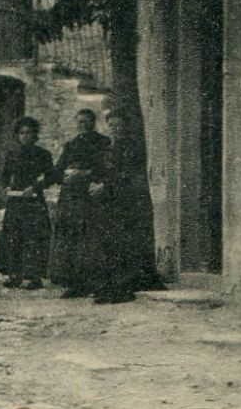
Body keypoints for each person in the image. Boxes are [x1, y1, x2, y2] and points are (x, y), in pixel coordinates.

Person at [85, 107, 167, 304]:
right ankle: (109, 286)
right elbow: (100, 170)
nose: (115, 129)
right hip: (109, 201)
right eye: (111, 125)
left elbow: (129, 174)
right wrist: (94, 183)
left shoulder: (132, 147)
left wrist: (105, 186)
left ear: (126, 127)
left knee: (123, 243)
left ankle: (122, 288)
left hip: (127, 201)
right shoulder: (109, 148)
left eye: (119, 125)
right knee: (109, 243)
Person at [48, 108, 109, 297]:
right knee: (71, 239)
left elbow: (105, 168)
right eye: (80, 122)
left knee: (90, 238)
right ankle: (74, 283)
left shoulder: (103, 143)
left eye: (87, 121)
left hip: (90, 197)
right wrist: (63, 176)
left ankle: (94, 281)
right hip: (71, 197)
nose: (83, 125)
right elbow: (58, 169)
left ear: (94, 122)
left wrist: (86, 174)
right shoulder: (71, 144)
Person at [0, 116, 55, 289]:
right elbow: (4, 175)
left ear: (36, 135)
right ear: (17, 135)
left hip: (34, 200)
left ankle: (34, 277)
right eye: (22, 133)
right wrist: (5, 188)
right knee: (14, 236)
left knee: (34, 237)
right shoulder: (12, 154)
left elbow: (50, 177)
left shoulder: (43, 154)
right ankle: (14, 274)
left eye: (30, 133)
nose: (26, 136)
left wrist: (35, 188)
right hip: (16, 200)